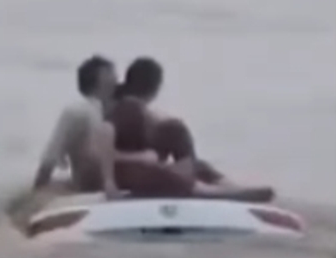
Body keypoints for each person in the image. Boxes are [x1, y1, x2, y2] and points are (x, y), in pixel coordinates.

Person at [108, 57, 274, 202]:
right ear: (156, 87)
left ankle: (229, 187)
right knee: (173, 137)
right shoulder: (127, 110)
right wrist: (140, 157)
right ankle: (202, 189)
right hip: (126, 171)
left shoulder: (134, 108)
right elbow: (100, 152)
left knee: (185, 146)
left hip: (136, 167)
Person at [31, 55, 119, 197]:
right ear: (102, 78)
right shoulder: (78, 111)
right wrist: (37, 193)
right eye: (112, 73)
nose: (117, 79)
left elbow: (50, 158)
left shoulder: (112, 112)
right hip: (91, 189)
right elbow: (50, 159)